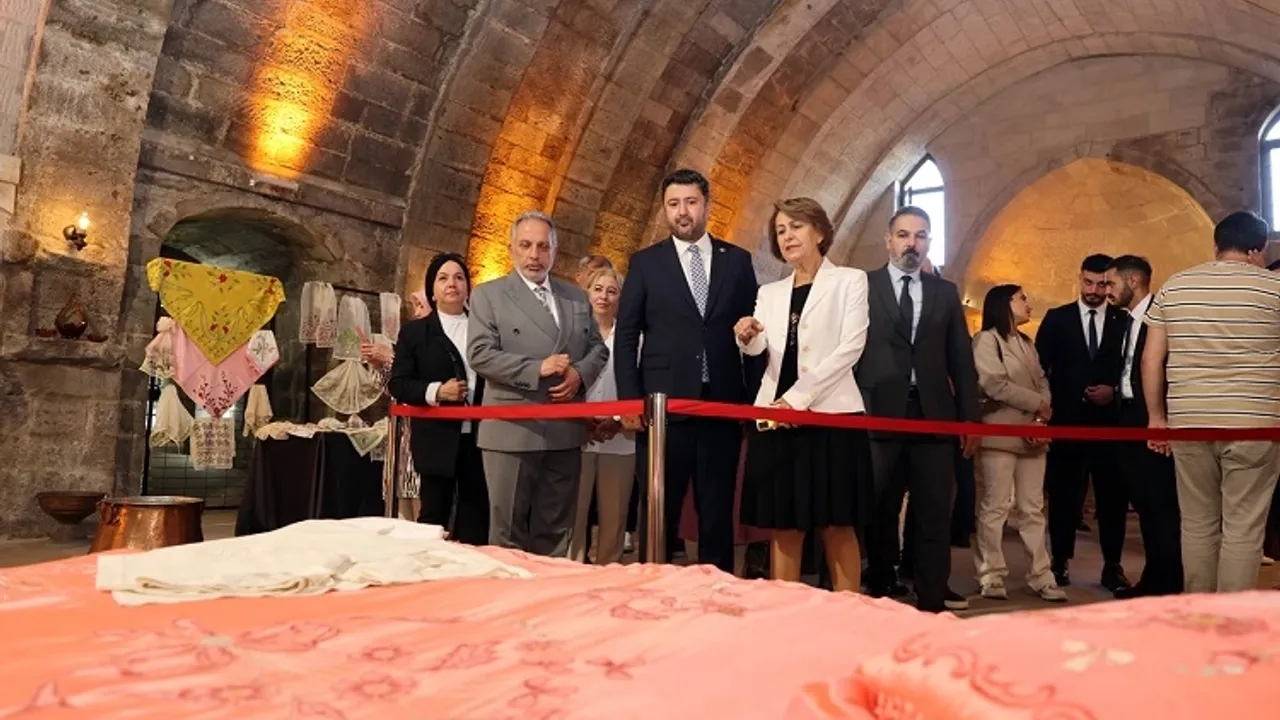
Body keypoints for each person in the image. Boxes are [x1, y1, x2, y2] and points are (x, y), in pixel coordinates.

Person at [615, 168, 758, 574]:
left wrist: (751, 403)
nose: (682, 212)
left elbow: (753, 333)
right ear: (664, 209)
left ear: (707, 206)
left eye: (691, 202)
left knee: (717, 511)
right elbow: (627, 336)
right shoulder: (646, 263)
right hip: (663, 409)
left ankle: (717, 591)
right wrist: (629, 401)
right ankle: (651, 587)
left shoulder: (738, 261)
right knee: (659, 510)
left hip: (721, 406)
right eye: (673, 204)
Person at [735, 197, 871, 592]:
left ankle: (849, 609)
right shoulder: (770, 292)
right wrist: (746, 336)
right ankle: (786, 613)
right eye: (780, 230)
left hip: (831, 415)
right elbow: (760, 351)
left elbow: (850, 348)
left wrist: (798, 398)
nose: (787, 236)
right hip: (775, 416)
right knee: (784, 522)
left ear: (820, 232)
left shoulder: (850, 280)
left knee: (837, 522)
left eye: (796, 226)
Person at [1142, 210, 1280, 593]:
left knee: (1197, 523)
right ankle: (1232, 616)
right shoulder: (1274, 289)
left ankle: (1198, 611)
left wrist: (1156, 418)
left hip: (1189, 421)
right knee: (1243, 526)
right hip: (1256, 422)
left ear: (1216, 245)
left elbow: (1151, 358)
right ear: (1259, 249)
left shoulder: (1176, 286)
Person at [857, 205, 980, 613]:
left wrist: (969, 419)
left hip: (933, 415)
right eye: (904, 235)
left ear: (928, 242)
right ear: (888, 241)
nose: (912, 243)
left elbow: (961, 359)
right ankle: (880, 585)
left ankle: (931, 596)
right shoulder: (864, 285)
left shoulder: (945, 292)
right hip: (879, 412)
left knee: (934, 510)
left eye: (921, 235)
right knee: (880, 505)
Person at [467, 211, 610, 556]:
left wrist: (579, 374)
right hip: (512, 430)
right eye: (526, 245)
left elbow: (598, 348)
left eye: (543, 247)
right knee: (508, 535)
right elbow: (480, 354)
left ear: (555, 251)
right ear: (511, 249)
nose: (534, 255)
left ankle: (552, 590)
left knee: (557, 534)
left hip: (564, 430)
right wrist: (536, 369)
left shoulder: (576, 297)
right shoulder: (489, 295)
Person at [1034, 254, 1130, 593]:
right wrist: (1042, 413)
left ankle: (1113, 565)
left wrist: (1113, 391)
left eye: (1102, 284)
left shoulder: (1123, 320)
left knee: (1112, 498)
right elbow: (1039, 369)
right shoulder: (1057, 319)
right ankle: (1059, 561)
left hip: (1110, 425)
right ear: (1079, 279)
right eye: (1088, 283)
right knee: (1062, 496)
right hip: (1067, 423)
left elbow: (1131, 367)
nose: (1094, 291)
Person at [971, 284, 1066, 602]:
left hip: (1032, 434)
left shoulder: (1026, 343)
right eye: (1022, 298)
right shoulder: (987, 340)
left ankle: (1041, 575)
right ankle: (991, 574)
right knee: (995, 506)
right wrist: (1038, 404)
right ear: (1004, 303)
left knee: (1032, 508)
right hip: (999, 433)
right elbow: (994, 384)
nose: (1029, 303)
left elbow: (1042, 380)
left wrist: (1040, 416)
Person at [387, 253, 490, 544]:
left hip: (481, 437)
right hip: (436, 437)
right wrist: (437, 391)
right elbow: (399, 383)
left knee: (476, 515)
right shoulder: (415, 332)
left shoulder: (485, 330)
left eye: (458, 277)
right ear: (432, 289)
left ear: (468, 287)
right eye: (443, 278)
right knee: (433, 515)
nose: (451, 284)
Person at [1103, 254, 1183, 597]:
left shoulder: (1158, 317)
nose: (1106, 290)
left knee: (1159, 507)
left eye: (1111, 283)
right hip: (1127, 418)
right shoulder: (1125, 320)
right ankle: (1154, 581)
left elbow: (1163, 370)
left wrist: (1159, 419)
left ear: (1132, 281)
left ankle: (1166, 586)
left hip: (1151, 420)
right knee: (1145, 506)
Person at [569, 267, 636, 565]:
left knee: (614, 517)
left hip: (620, 438)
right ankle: (571, 571)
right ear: (588, 292)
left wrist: (618, 421)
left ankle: (610, 573)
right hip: (578, 434)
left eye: (612, 291)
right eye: (598, 289)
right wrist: (583, 420)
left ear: (621, 297)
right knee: (574, 514)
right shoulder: (573, 335)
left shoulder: (633, 338)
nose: (604, 297)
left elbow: (637, 385)